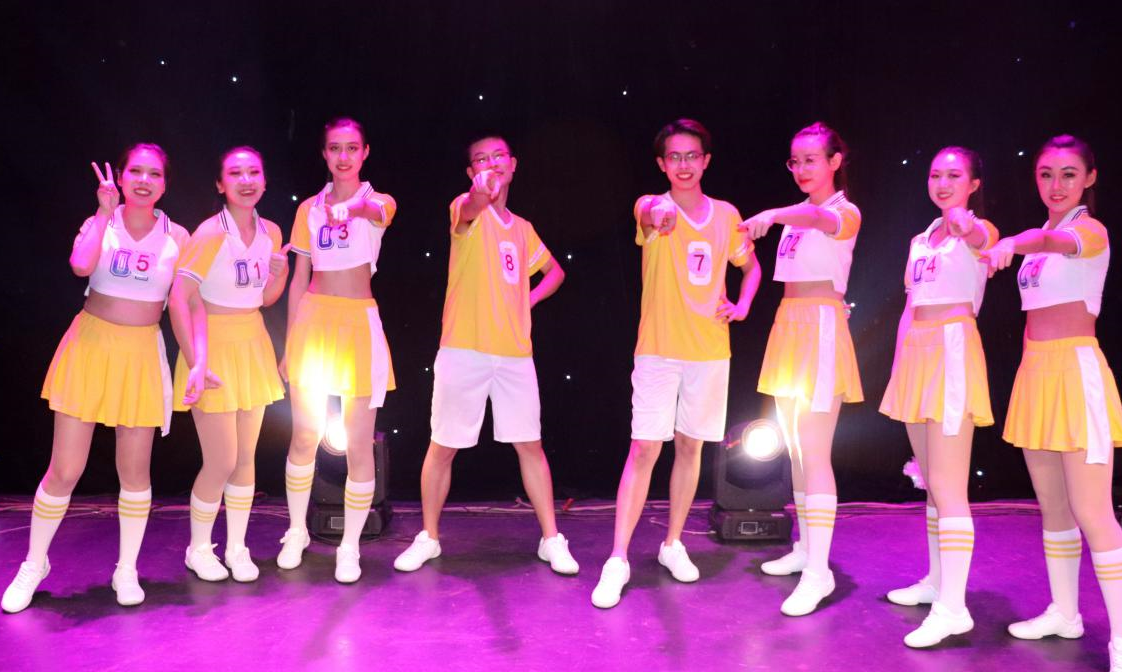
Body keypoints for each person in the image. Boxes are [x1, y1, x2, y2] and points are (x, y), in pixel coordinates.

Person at [982, 135, 1122, 672]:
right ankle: (1064, 612)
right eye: (1046, 173)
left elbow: (1049, 238)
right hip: (1036, 372)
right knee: (1052, 508)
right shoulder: (1040, 240)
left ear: (1089, 178)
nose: (1056, 184)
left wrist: (1013, 241)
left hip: (1076, 372)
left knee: (1093, 512)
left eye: (1068, 174)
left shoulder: (1088, 231)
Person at [2, 144, 190, 612]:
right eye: (135, 171)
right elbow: (80, 266)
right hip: (90, 346)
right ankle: (34, 563)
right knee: (65, 469)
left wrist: (197, 359)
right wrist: (104, 213)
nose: (144, 180)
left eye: (154, 174)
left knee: (135, 472)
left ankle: (126, 569)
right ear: (121, 177)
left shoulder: (178, 235)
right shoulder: (99, 221)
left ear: (165, 183)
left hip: (141, 354)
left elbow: (186, 304)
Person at [592, 118, 761, 609]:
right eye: (675, 157)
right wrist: (658, 212)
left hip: (709, 352)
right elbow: (648, 212)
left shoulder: (727, 215)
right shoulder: (652, 206)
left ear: (706, 161)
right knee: (645, 447)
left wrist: (743, 304)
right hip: (659, 350)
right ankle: (618, 558)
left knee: (690, 447)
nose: (684, 165)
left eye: (692, 156)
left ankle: (672, 544)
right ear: (662, 164)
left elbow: (751, 267)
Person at [393, 134, 577, 575]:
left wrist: (527, 299)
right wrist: (479, 195)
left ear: (513, 164)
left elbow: (555, 272)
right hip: (464, 349)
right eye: (480, 160)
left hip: (514, 354)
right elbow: (471, 208)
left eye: (498, 157)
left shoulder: (523, 228)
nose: (491, 164)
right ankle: (429, 537)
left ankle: (551, 538)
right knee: (443, 446)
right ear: (471, 172)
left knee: (530, 445)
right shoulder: (465, 208)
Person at [737, 122, 863, 616]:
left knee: (814, 451)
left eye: (812, 159)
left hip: (821, 327)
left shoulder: (843, 212)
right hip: (789, 324)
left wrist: (770, 213)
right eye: (795, 161)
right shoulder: (797, 219)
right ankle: (806, 550)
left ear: (834, 162)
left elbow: (817, 218)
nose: (802, 168)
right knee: (794, 450)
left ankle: (819, 573)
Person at [879, 146, 999, 647]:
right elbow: (910, 306)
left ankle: (954, 607)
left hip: (952, 350)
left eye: (954, 175)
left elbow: (982, 239)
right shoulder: (919, 239)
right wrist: (898, 368)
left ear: (973, 184)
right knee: (931, 483)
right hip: (916, 355)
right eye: (935, 175)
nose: (943, 183)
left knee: (949, 487)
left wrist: (966, 226)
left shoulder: (979, 231)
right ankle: (936, 582)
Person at [278, 117, 396, 584]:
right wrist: (290, 343)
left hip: (359, 325)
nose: (343, 156)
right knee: (304, 435)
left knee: (358, 443)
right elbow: (299, 278)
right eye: (334, 148)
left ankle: (349, 546)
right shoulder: (308, 209)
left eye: (351, 148)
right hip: (314, 322)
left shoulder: (379, 200)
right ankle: (295, 531)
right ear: (324, 154)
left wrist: (353, 209)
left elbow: (378, 212)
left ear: (364, 152)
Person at [168, 146, 289, 583]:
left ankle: (237, 547)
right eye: (235, 174)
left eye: (254, 172)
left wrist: (279, 274)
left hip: (252, 341)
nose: (246, 180)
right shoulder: (209, 233)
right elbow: (178, 298)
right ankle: (198, 549)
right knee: (220, 460)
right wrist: (196, 360)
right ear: (221, 184)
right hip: (212, 345)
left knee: (244, 459)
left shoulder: (271, 231)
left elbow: (264, 297)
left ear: (265, 180)